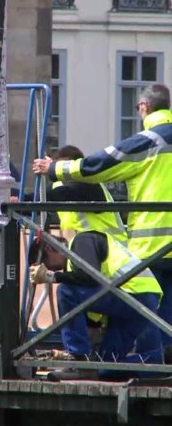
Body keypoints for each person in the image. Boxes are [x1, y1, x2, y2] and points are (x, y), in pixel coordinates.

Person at [32, 83, 172, 362]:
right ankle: (155, 365)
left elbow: (102, 164)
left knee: (149, 320)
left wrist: (55, 170)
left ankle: (153, 367)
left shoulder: (151, 140)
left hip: (151, 247)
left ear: (144, 107)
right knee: (164, 319)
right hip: (130, 254)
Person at [28, 231, 163, 381]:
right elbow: (93, 300)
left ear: (49, 249)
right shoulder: (74, 267)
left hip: (133, 294)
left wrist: (51, 277)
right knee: (106, 364)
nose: (52, 270)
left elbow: (91, 277)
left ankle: (77, 359)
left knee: (65, 291)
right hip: (138, 300)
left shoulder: (81, 241)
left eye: (47, 266)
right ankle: (159, 363)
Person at [47, 145, 126, 242]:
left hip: (110, 247)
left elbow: (65, 194)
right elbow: (38, 199)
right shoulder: (58, 186)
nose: (61, 173)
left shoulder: (89, 183)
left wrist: (50, 168)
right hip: (81, 249)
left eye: (64, 169)